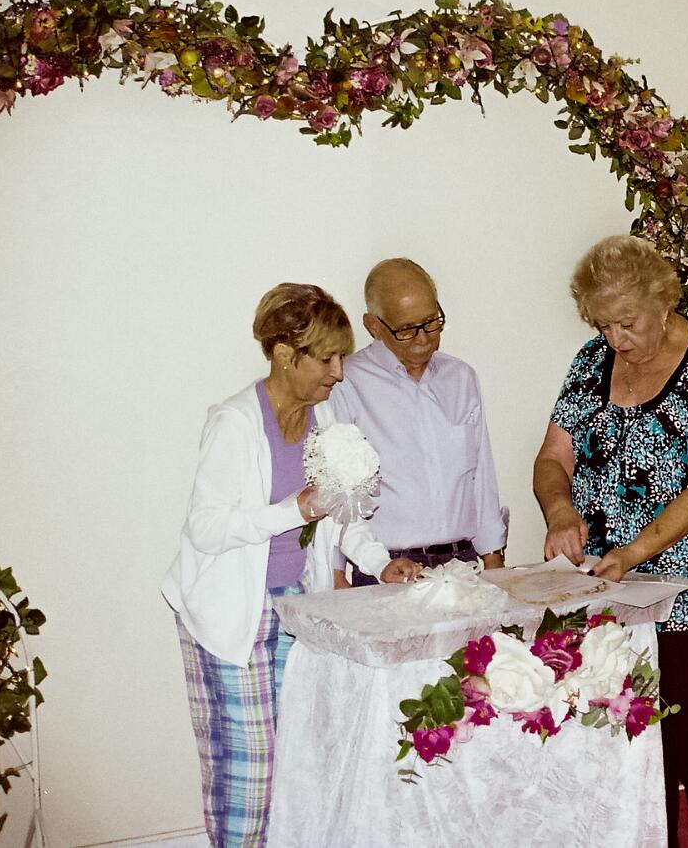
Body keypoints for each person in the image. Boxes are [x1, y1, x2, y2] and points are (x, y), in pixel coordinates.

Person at [162, 283, 419, 847]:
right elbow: (207, 528)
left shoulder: (324, 418)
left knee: (298, 762)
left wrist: (380, 564)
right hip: (231, 611)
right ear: (284, 354)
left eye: (340, 358)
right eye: (326, 359)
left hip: (295, 606)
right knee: (250, 775)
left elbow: (344, 513)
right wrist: (292, 510)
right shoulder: (234, 423)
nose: (339, 373)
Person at [534, 235, 688, 848]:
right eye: (603, 325)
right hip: (609, 578)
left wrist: (633, 554)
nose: (616, 339)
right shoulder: (591, 361)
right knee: (628, 734)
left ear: (664, 304)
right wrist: (560, 511)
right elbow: (553, 457)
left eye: (627, 323)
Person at [328, 258, 508, 583]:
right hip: (386, 568)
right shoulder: (347, 382)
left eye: (431, 322)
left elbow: (481, 476)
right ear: (373, 326)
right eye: (407, 329)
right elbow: (337, 491)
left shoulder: (461, 378)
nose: (423, 338)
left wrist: (494, 559)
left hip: (462, 565)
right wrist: (336, 573)